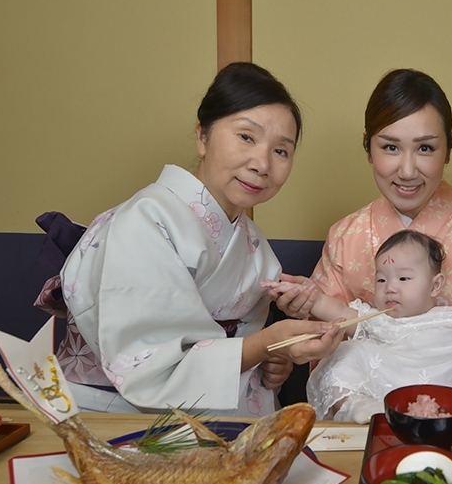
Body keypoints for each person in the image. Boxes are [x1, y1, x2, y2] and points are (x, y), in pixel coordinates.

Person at [45, 62, 345, 415]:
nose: (263, 164)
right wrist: (263, 346)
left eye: (281, 150)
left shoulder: (254, 245)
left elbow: (244, 352)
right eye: (246, 137)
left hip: (217, 410)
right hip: (115, 412)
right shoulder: (143, 221)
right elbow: (150, 366)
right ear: (202, 136)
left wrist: (271, 361)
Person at [269, 69, 452, 414]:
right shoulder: (347, 235)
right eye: (390, 147)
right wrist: (306, 314)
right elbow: (328, 327)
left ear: (448, 148)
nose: (407, 170)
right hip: (376, 407)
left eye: (425, 148)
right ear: (368, 147)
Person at [266, 230, 452, 423]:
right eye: (381, 280)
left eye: (403, 278)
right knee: (348, 351)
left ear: (435, 285)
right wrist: (308, 296)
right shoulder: (376, 319)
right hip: (378, 394)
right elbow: (340, 313)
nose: (390, 288)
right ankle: (356, 405)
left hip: (430, 391)